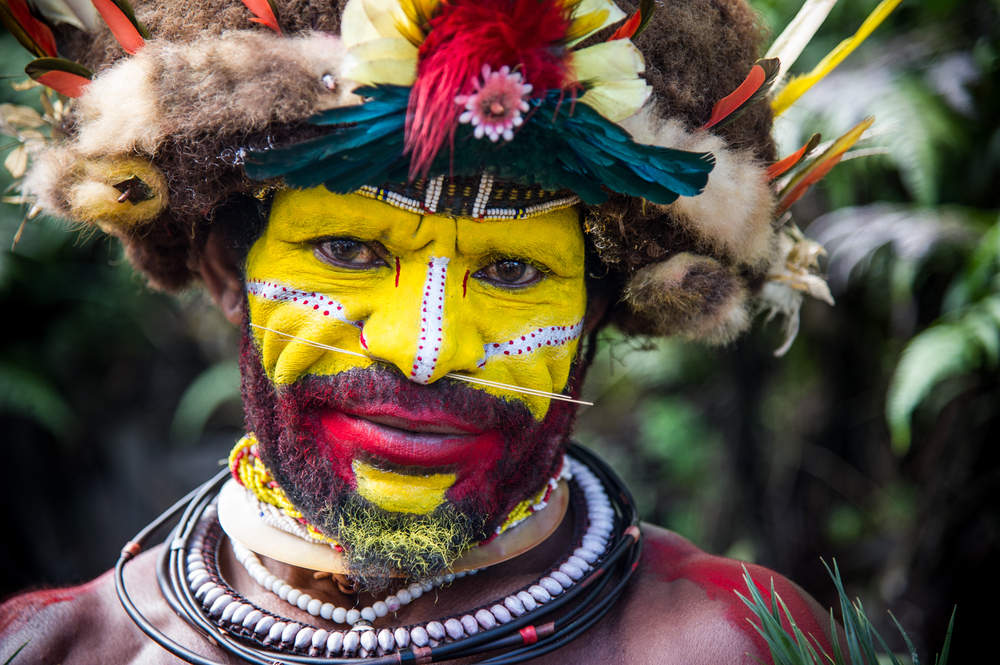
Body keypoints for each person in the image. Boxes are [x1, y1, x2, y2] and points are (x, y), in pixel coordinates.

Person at [0, 0, 873, 661]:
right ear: (231, 273)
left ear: (594, 310)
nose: (425, 349)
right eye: (345, 249)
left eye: (512, 271)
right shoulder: (64, 649)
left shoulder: (731, 642)